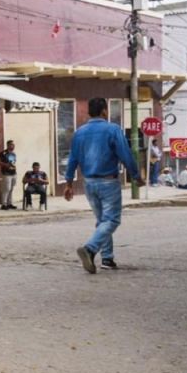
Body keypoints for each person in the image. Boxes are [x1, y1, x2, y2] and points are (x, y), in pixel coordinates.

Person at [64, 97, 141, 273]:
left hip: (89, 183)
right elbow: (125, 154)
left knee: (102, 221)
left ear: (88, 112)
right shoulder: (112, 129)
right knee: (112, 220)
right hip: (108, 181)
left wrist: (68, 183)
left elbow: (72, 159)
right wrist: (136, 175)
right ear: (105, 111)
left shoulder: (79, 132)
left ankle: (107, 258)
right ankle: (90, 249)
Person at [0, 140, 18, 210]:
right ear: (8, 145)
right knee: (6, 189)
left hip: (13, 173)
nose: (13, 146)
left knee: (11, 188)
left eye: (13, 145)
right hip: (6, 173)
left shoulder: (13, 154)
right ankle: (4, 204)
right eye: (11, 145)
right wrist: (5, 165)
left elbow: (13, 162)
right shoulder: (3, 153)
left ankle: (9, 203)